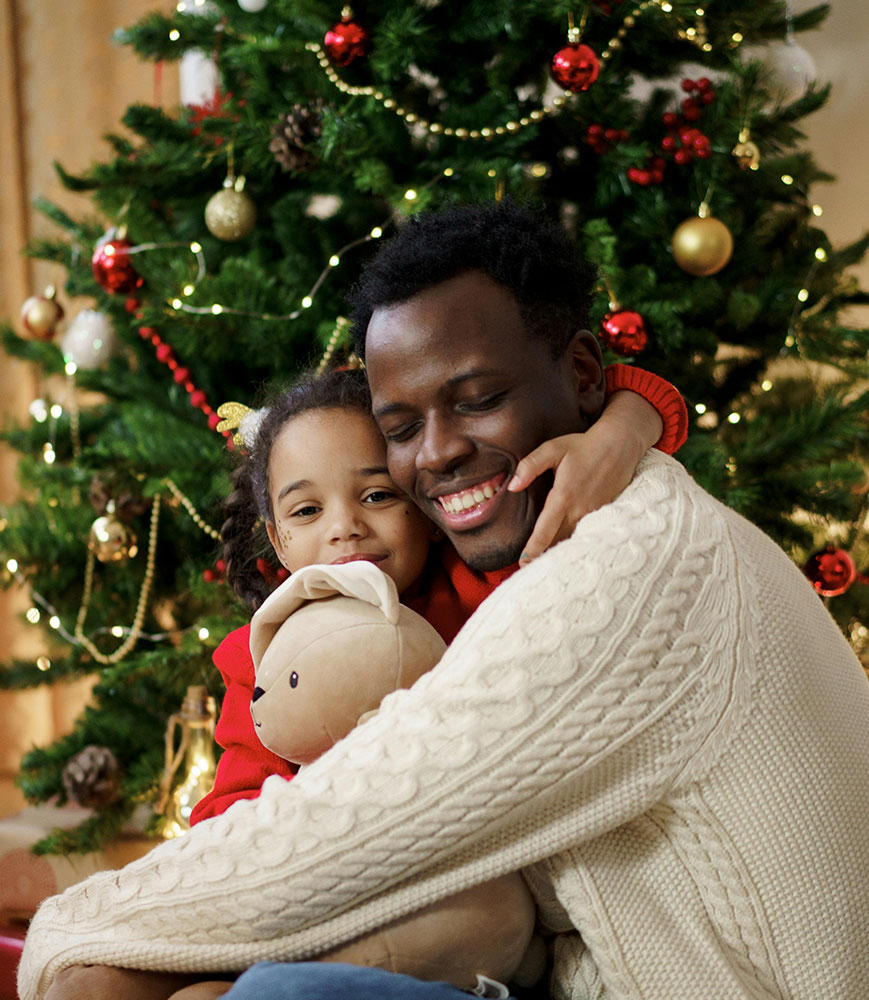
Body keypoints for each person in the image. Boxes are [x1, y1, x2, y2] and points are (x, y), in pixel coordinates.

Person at [19, 200, 869, 1000]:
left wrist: (71, 932)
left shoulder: (630, 573)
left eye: (479, 400)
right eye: (399, 427)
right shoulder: (562, 540)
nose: (436, 455)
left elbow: (358, 819)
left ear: (580, 376)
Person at [191, 361, 686, 827]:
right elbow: (227, 817)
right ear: (278, 542)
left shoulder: (477, 581)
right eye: (306, 511)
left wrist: (624, 429)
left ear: (427, 507)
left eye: (378, 496)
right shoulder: (260, 658)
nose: (345, 528)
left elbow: (618, 387)